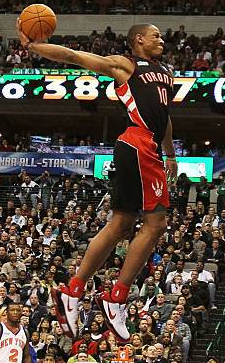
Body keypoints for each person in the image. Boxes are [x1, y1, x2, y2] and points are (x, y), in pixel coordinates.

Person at [17, 21, 178, 342]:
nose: (162, 39)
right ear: (138, 39)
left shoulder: (167, 72)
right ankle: (116, 297)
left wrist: (170, 152)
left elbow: (165, 116)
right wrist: (33, 47)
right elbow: (76, 57)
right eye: (156, 35)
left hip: (147, 145)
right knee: (156, 225)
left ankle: (73, 291)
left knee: (121, 223)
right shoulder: (125, 65)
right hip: (138, 143)